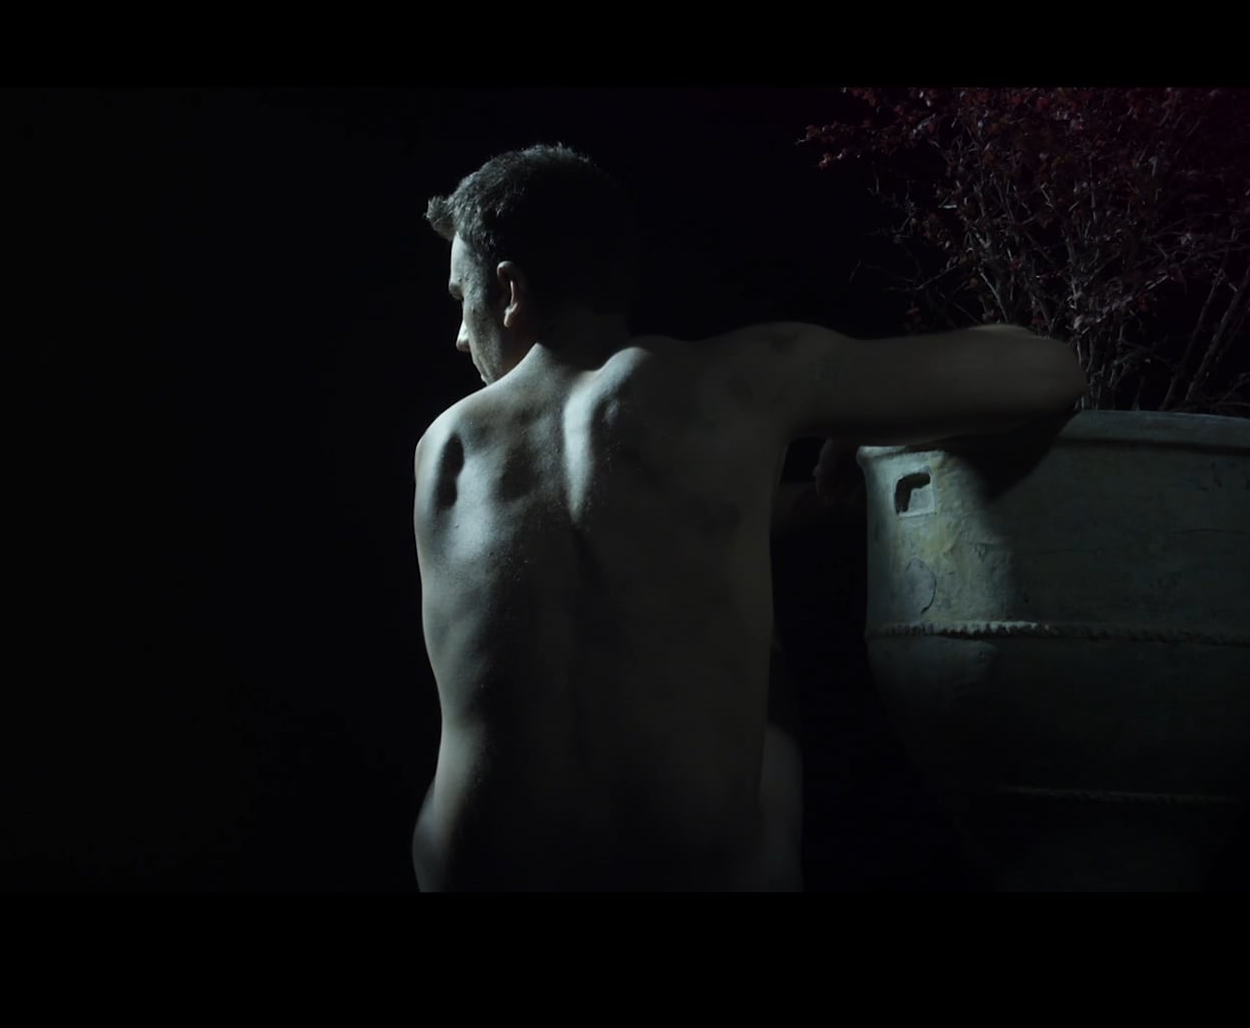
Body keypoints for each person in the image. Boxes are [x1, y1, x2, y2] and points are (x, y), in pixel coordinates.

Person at [410, 144, 1084, 891]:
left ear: (509, 291)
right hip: (688, 872)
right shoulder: (739, 382)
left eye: (460, 299)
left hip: (476, 872)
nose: (461, 336)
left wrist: (810, 503)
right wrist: (868, 425)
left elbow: (598, 535)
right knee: (759, 657)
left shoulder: (444, 447)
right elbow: (1049, 371)